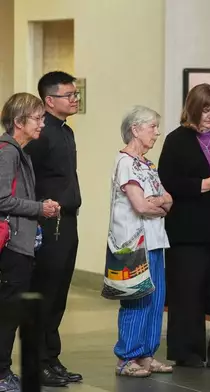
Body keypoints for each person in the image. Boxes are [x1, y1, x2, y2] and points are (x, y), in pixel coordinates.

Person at [158, 84, 210, 368]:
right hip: (189, 227)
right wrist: (201, 185)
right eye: (205, 109)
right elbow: (166, 181)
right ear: (193, 109)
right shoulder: (177, 140)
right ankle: (187, 351)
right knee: (187, 290)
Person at [23, 71, 83, 387]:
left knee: (59, 293)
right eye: (68, 95)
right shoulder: (42, 135)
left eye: (75, 94)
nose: (74, 99)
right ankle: (38, 361)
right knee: (45, 293)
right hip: (48, 221)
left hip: (67, 221)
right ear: (49, 100)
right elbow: (26, 177)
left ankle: (52, 356)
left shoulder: (65, 132)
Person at [0, 92, 60, 392]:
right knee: (8, 312)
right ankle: (1, 374)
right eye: (37, 118)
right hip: (10, 246)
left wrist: (38, 207)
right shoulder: (7, 152)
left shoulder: (20, 152)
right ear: (18, 122)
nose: (41, 123)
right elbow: (2, 199)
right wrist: (39, 208)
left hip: (19, 243)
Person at [108, 106, 173, 377]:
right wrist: (158, 204)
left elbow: (167, 199)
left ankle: (146, 354)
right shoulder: (125, 162)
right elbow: (140, 206)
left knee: (155, 300)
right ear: (135, 129)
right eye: (152, 127)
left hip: (155, 241)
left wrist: (157, 203)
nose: (157, 132)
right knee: (136, 299)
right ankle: (127, 358)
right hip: (132, 243)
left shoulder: (147, 164)